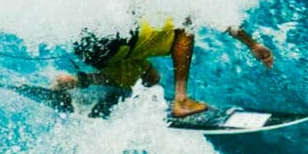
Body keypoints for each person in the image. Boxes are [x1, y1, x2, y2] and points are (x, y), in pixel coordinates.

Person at [54, 18, 274, 117]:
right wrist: (252, 44)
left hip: (91, 41)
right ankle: (181, 100)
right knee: (185, 28)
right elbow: (217, 19)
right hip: (119, 37)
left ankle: (76, 81)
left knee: (151, 77)